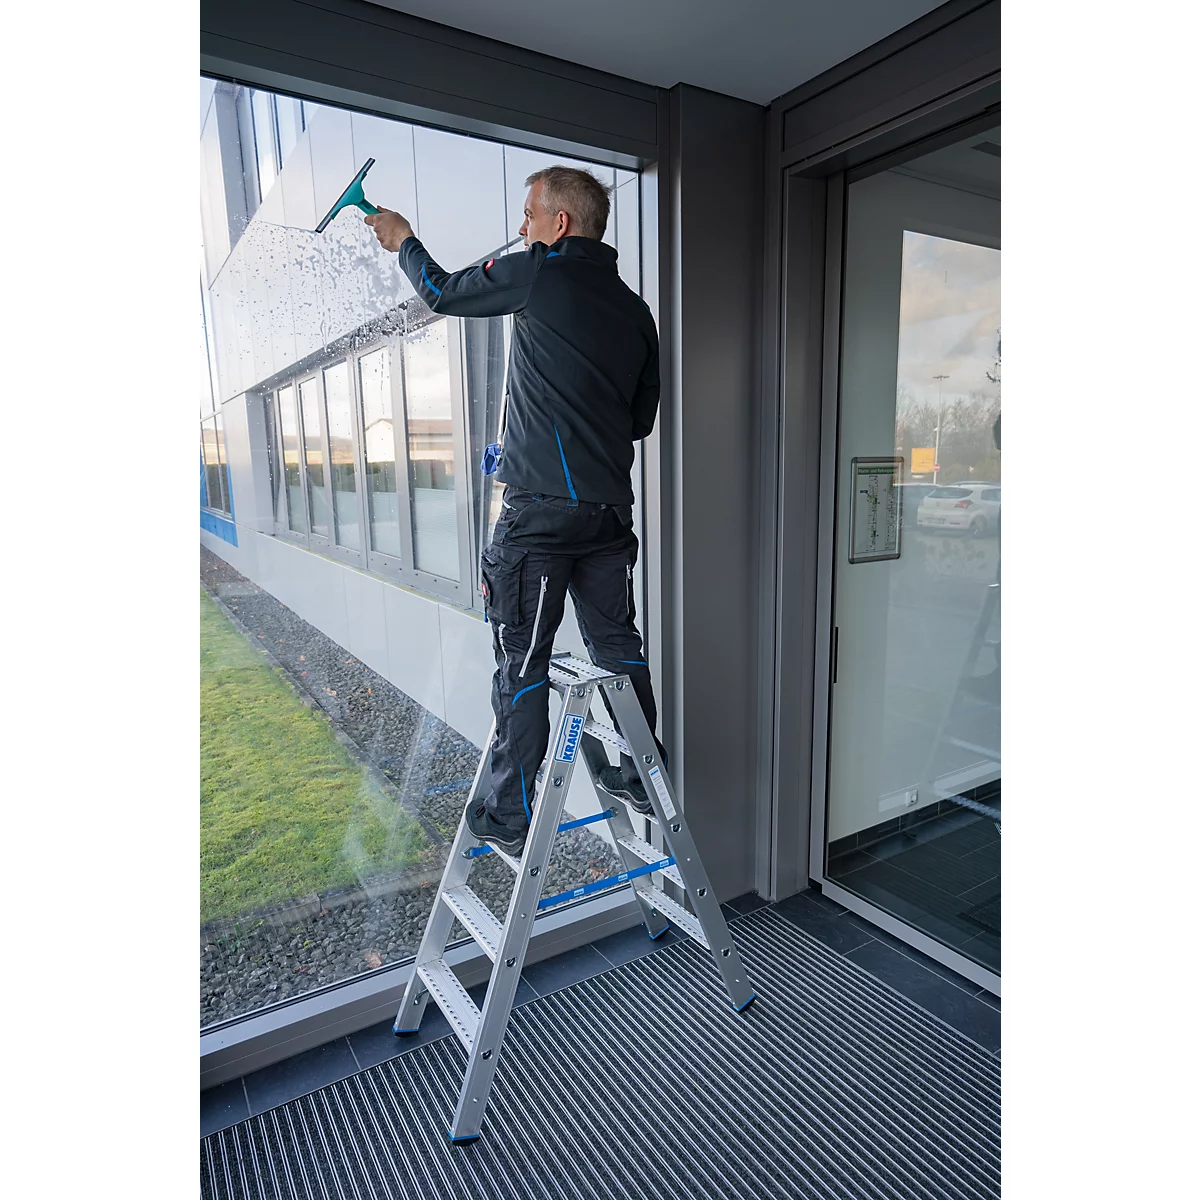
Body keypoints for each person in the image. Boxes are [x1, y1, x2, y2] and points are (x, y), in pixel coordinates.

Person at [366, 166, 666, 856]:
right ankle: (643, 778)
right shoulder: (635, 310)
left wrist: (404, 237)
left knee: (524, 662)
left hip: (538, 520)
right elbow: (639, 422)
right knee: (618, 647)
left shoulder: (539, 271)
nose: (523, 225)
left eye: (530, 214)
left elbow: (442, 292)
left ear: (560, 224)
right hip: (607, 518)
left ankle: (509, 810)